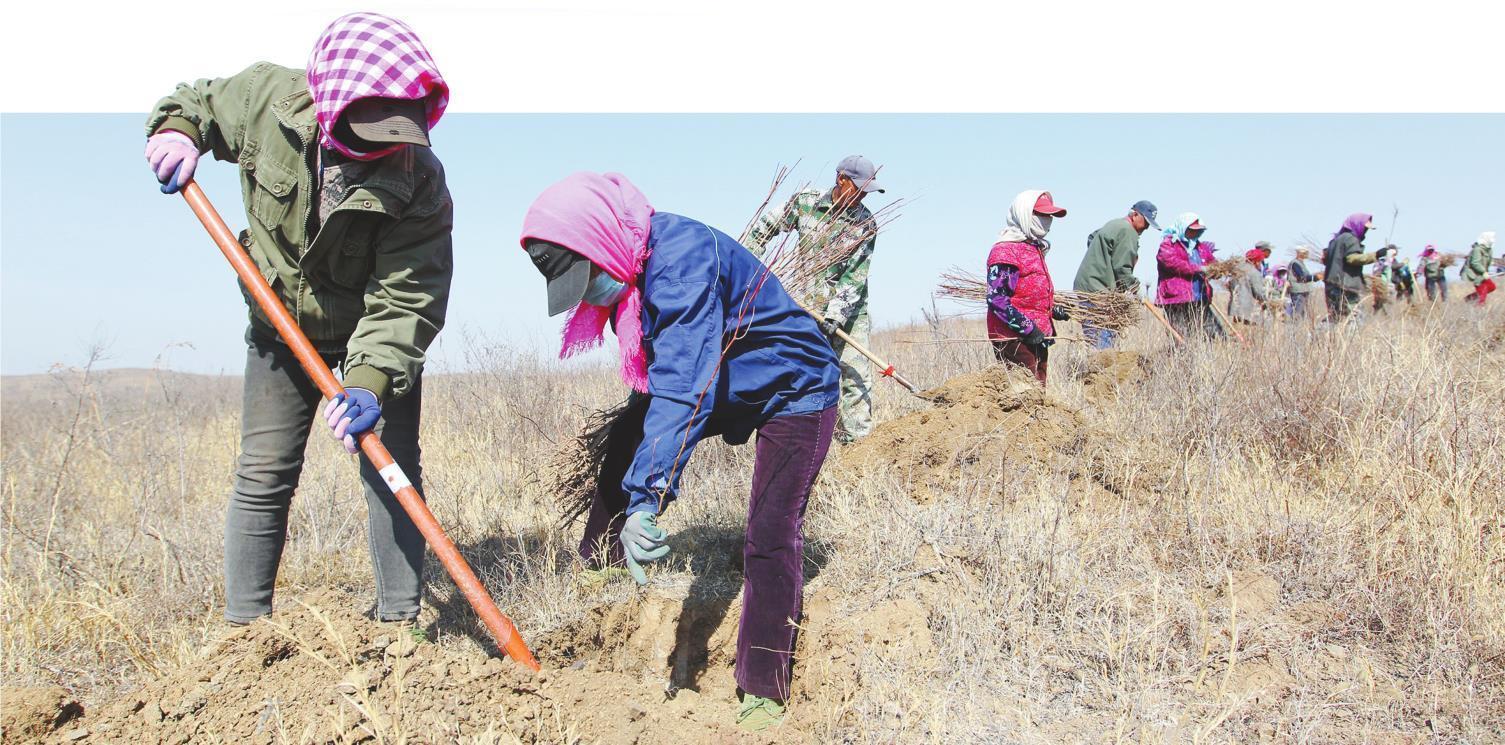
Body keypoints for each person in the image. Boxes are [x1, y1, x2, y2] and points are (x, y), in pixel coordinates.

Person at [142, 13, 453, 626]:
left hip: (371, 336)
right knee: (264, 471)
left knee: (390, 469)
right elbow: (197, 104)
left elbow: (408, 295)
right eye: (366, 131)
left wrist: (368, 382)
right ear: (330, 100)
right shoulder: (264, 100)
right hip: (279, 325)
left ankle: (400, 626)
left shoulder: (421, 179)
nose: (381, 146)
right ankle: (245, 631)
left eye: (394, 131)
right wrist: (178, 131)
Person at [520, 172, 840, 731]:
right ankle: (601, 563)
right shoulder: (637, 261)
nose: (592, 291)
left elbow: (684, 386)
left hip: (795, 389)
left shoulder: (681, 261)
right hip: (732, 379)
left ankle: (763, 685)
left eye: (589, 274)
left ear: (601, 240)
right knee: (626, 433)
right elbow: (673, 376)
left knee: (769, 530)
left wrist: (648, 499)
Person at [746, 155, 886, 444]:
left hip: (849, 312)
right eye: (857, 188)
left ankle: (857, 444)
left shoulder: (866, 225)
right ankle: (806, 439)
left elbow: (854, 278)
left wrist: (835, 316)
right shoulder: (805, 203)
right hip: (803, 307)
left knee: (855, 375)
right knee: (803, 375)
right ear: (841, 179)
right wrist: (746, 266)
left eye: (866, 192)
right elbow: (763, 230)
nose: (861, 196)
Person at [985, 190, 1069, 383]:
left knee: (1037, 394)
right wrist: (1028, 328)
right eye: (1041, 215)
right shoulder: (1006, 252)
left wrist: (1049, 310)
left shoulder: (1032, 247)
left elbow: (1026, 292)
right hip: (1015, 339)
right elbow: (997, 300)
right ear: (1024, 214)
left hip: (1036, 336)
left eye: (1049, 216)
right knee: (1023, 395)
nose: (1047, 220)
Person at [1071, 199, 1159, 348]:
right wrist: (1136, 289)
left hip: (1087, 286)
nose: (1147, 228)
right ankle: (1102, 371)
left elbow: (1092, 238)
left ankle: (1097, 369)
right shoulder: (1127, 231)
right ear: (1135, 215)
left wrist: (1100, 262)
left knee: (1095, 340)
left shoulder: (1114, 224)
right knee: (1103, 344)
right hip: (1098, 291)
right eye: (1146, 222)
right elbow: (1122, 268)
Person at [1155, 213, 1223, 339]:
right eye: (1192, 231)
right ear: (1183, 228)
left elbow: (1212, 263)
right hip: (1177, 299)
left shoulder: (1201, 247)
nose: (1195, 234)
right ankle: (1181, 358)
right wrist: (1199, 269)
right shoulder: (1169, 244)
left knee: (1210, 334)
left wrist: (1217, 270)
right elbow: (1171, 263)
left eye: (1198, 231)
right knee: (1181, 336)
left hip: (1199, 298)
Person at [1322, 213, 1377, 321]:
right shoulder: (1350, 239)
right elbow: (1352, 259)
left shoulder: (1335, 240)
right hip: (1345, 286)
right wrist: (1376, 255)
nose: (1365, 231)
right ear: (1357, 225)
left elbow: (1325, 259)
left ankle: (1317, 335)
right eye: (1365, 228)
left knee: (1335, 317)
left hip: (1331, 285)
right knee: (1355, 319)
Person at [1228, 248, 1272, 324]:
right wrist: (1265, 301)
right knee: (1251, 329)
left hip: (1235, 306)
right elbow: (1258, 292)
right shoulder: (1254, 272)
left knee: (1238, 327)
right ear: (1256, 261)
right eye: (1260, 261)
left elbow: (1229, 284)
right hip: (1247, 308)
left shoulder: (1237, 269)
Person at [1461, 232, 1497, 305]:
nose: (1493, 240)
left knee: (1491, 286)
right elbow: (1475, 263)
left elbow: (1487, 260)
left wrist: (1491, 263)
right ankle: (1479, 308)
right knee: (1482, 294)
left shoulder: (1489, 249)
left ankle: (1468, 298)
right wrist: (1483, 272)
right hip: (1476, 274)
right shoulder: (1477, 249)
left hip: (1482, 274)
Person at [1287, 245, 1319, 318]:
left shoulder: (1300, 263)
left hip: (1302, 291)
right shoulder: (1295, 263)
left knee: (1301, 313)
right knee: (1297, 313)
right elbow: (1302, 278)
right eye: (1305, 252)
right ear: (1299, 253)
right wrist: (1315, 277)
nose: (1307, 254)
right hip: (1298, 292)